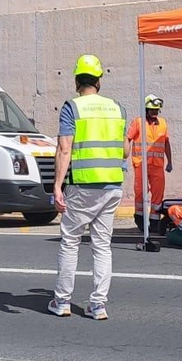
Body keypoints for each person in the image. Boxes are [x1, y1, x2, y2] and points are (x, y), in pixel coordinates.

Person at [51, 54, 125, 321]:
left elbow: (64, 147)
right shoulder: (117, 108)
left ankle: (62, 301)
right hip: (112, 185)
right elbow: (125, 149)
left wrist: (57, 186)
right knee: (102, 246)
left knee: (70, 242)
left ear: (76, 80)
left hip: (83, 185)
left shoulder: (73, 107)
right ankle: (98, 305)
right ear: (99, 80)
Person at [126, 94, 172, 251]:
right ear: (146, 109)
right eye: (152, 110)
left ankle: (154, 220)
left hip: (157, 165)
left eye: (156, 110)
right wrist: (122, 158)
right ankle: (139, 217)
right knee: (140, 192)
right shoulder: (138, 122)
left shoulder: (163, 123)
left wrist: (170, 161)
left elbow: (166, 142)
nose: (155, 113)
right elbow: (128, 138)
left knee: (158, 194)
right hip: (141, 165)